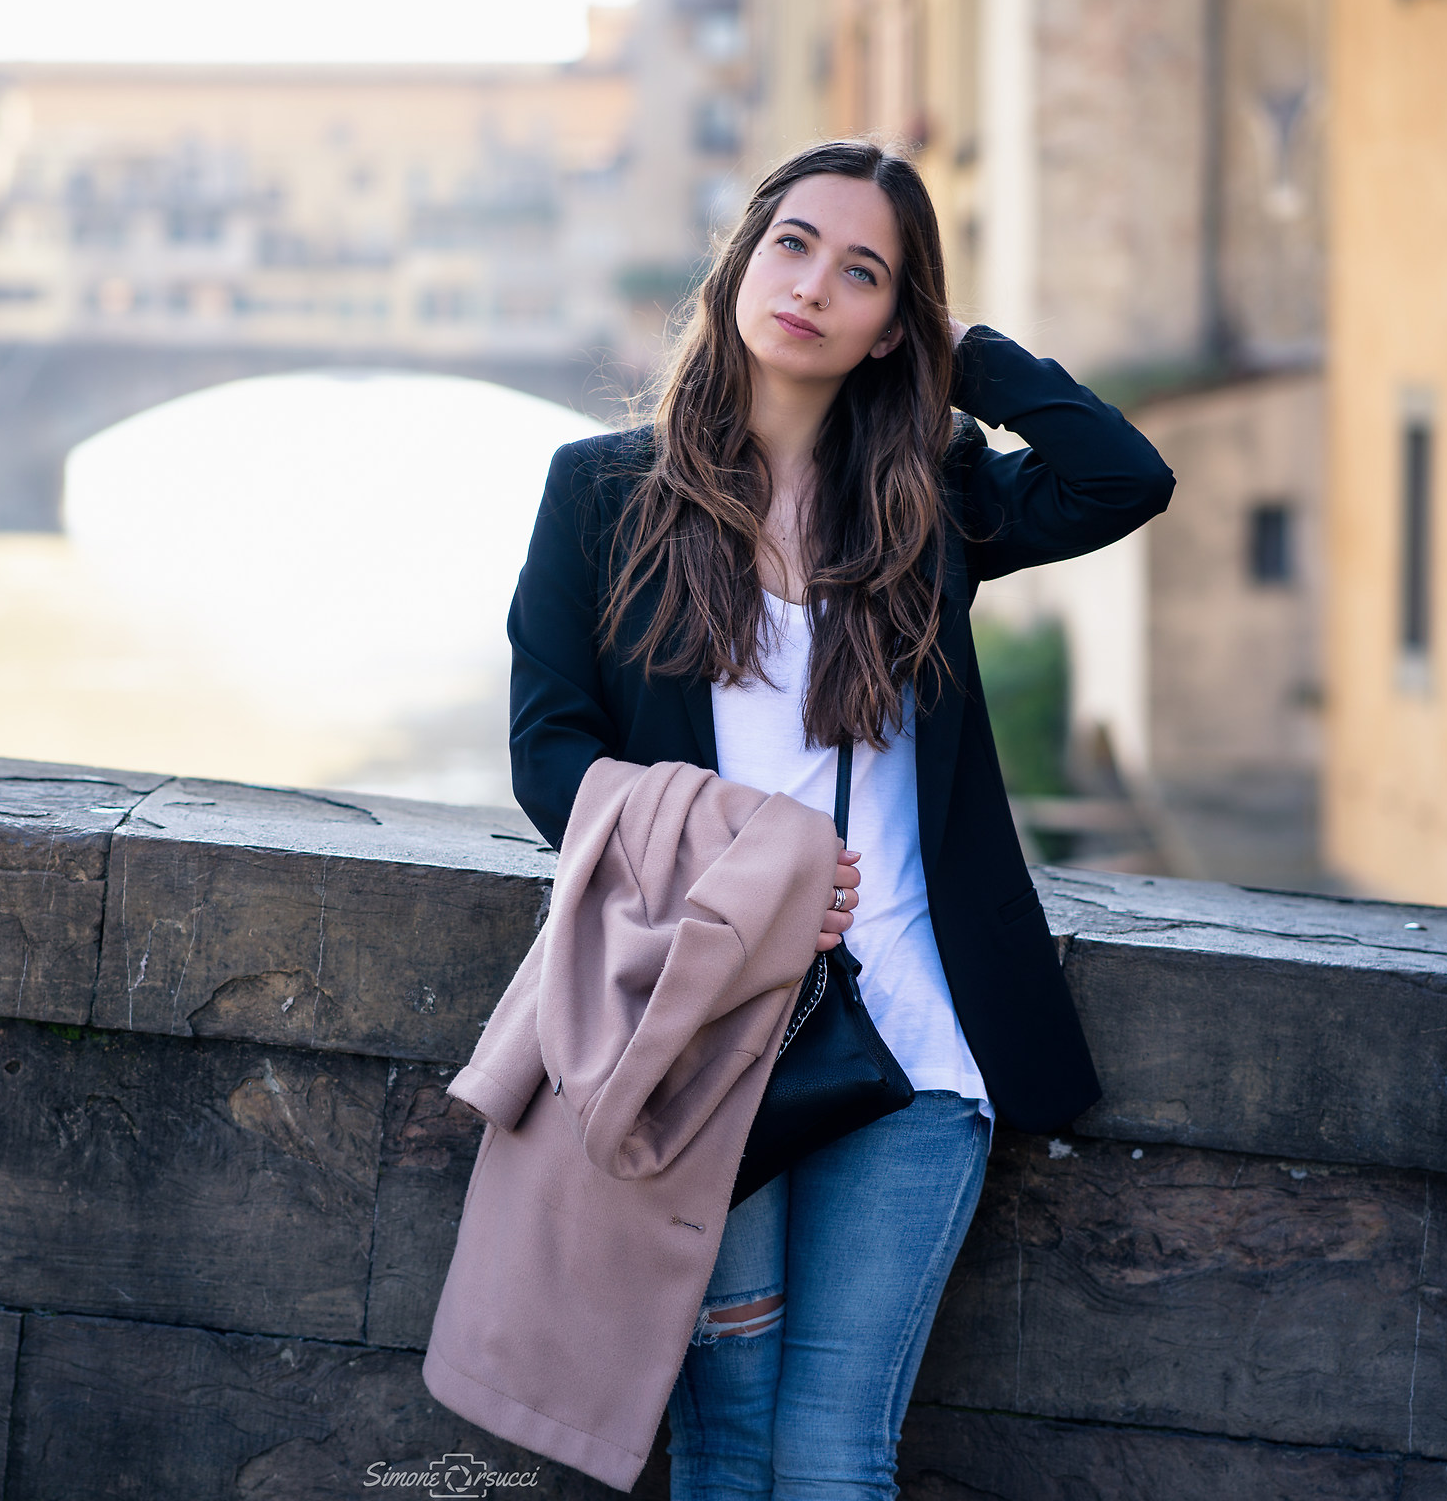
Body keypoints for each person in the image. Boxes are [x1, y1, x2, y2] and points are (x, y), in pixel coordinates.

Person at [504, 137, 1175, 1498]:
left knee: (829, 1456)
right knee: (723, 1437)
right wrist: (728, 859)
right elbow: (547, 752)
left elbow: (1123, 479)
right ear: (744, 259)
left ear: (889, 326)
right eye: (793, 244)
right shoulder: (602, 491)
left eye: (862, 273)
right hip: (698, 1036)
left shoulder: (933, 502)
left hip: (920, 1038)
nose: (812, 285)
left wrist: (965, 355)